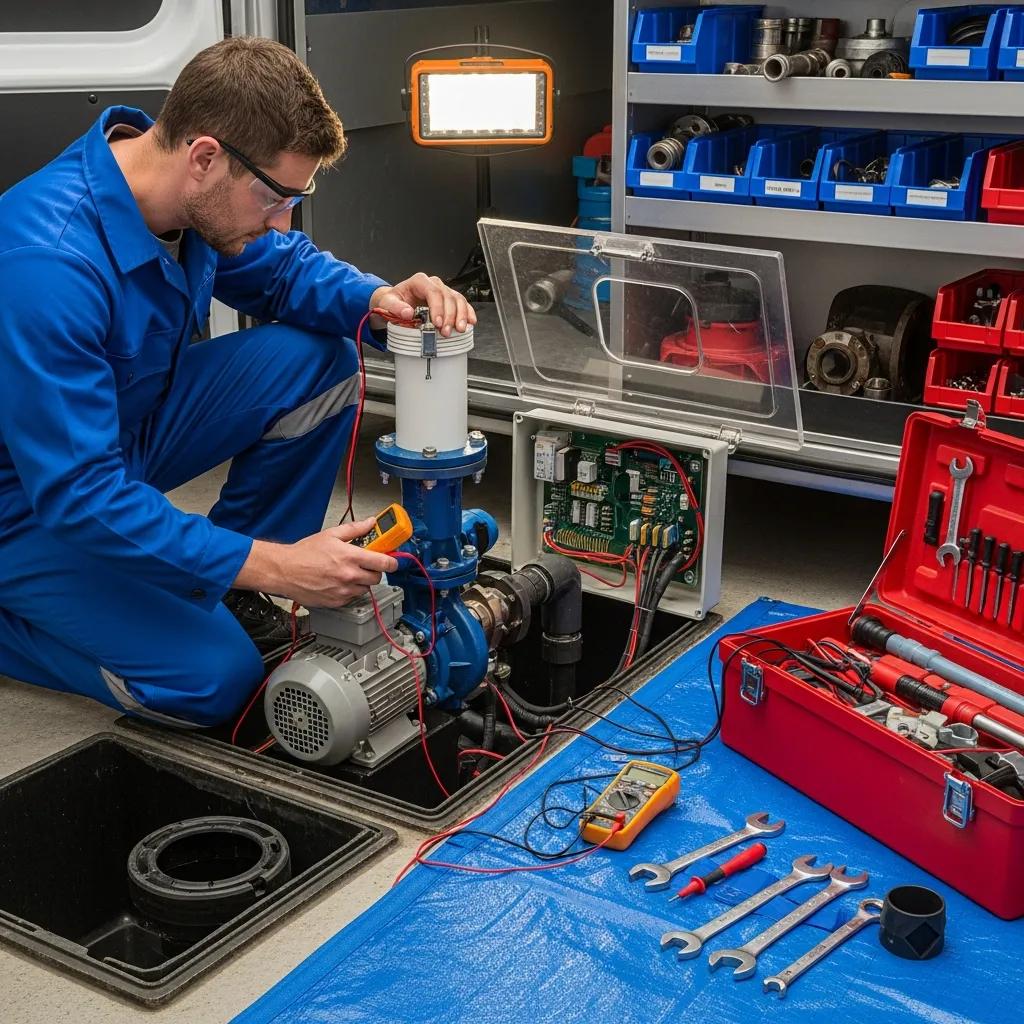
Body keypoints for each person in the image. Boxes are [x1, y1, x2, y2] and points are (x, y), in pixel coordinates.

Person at [0, 36, 475, 728]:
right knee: (216, 681)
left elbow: (283, 271)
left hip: (114, 438)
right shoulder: (49, 264)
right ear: (204, 157)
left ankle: (221, 589)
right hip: (28, 501)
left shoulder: (182, 201)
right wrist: (278, 566)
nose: (283, 220)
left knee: (320, 362)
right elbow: (78, 494)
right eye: (276, 197)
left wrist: (380, 303)